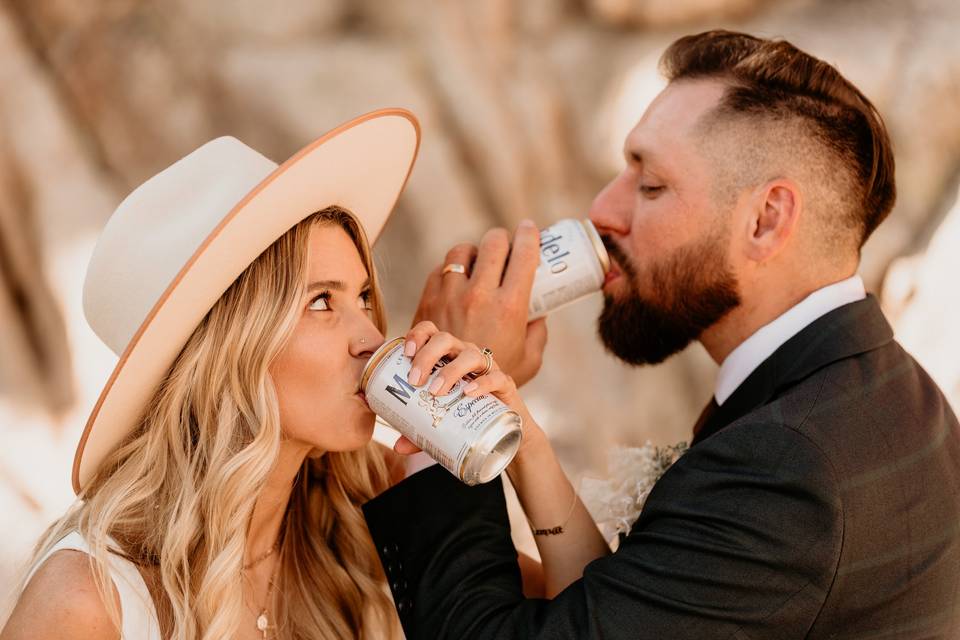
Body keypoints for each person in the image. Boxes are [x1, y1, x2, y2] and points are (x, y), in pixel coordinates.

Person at [362, 31, 960, 638]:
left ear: (766, 220)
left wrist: (442, 408)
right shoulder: (883, 393)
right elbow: (616, 605)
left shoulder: (791, 463)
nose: (602, 210)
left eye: (651, 186)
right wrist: (515, 427)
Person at [1, 110, 421, 639]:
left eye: (362, 297)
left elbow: (547, 619)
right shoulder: (90, 602)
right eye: (321, 301)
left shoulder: (356, 519)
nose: (373, 339)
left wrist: (501, 434)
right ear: (229, 349)